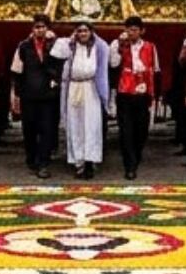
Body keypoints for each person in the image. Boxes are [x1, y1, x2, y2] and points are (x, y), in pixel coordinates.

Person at [53, 22, 112, 179]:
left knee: (92, 125)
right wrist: (70, 40)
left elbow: (110, 55)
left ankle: (90, 161)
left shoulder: (98, 47)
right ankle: (78, 162)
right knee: (75, 125)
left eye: (86, 30)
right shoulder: (69, 45)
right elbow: (56, 53)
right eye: (80, 31)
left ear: (92, 32)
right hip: (73, 87)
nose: (83, 34)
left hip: (91, 87)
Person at [10, 15, 62, 179]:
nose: (40, 30)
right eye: (37, 27)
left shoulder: (55, 46)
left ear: (48, 28)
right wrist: (17, 93)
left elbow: (61, 66)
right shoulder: (23, 46)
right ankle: (31, 158)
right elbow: (17, 71)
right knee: (30, 129)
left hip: (48, 95)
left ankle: (44, 162)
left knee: (47, 129)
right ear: (32, 29)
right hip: (29, 94)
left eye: (43, 27)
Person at [109, 17, 159, 180]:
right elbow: (114, 64)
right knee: (126, 130)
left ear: (141, 31)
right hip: (125, 92)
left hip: (143, 92)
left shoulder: (150, 47)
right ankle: (129, 165)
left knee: (141, 130)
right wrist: (121, 46)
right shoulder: (118, 44)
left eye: (135, 29)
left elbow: (155, 69)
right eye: (129, 29)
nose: (132, 33)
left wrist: (153, 94)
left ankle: (136, 155)